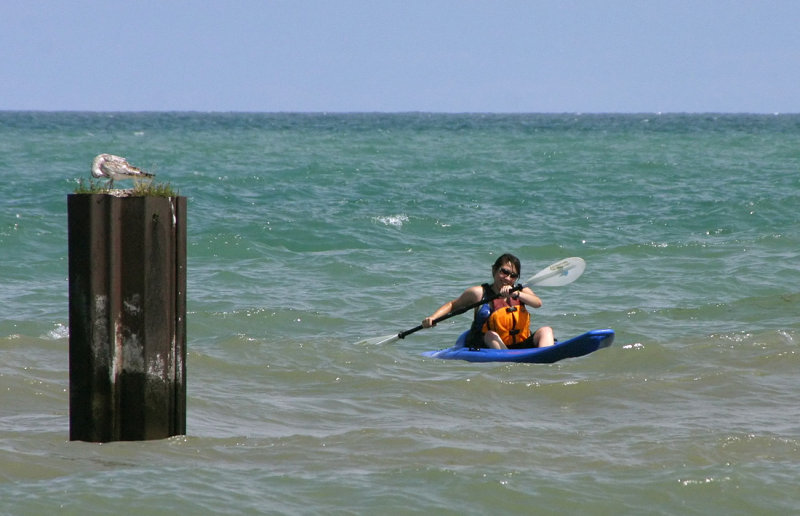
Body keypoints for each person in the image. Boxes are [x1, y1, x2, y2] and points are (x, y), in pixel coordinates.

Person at [422, 253, 555, 349]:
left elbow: (538, 303)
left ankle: (546, 357)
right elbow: (453, 305)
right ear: (494, 270)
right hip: (488, 343)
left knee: (546, 330)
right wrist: (433, 318)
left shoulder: (521, 291)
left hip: (520, 343)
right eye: (504, 272)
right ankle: (508, 360)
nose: (508, 278)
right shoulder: (479, 293)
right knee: (491, 334)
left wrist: (517, 294)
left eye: (513, 276)